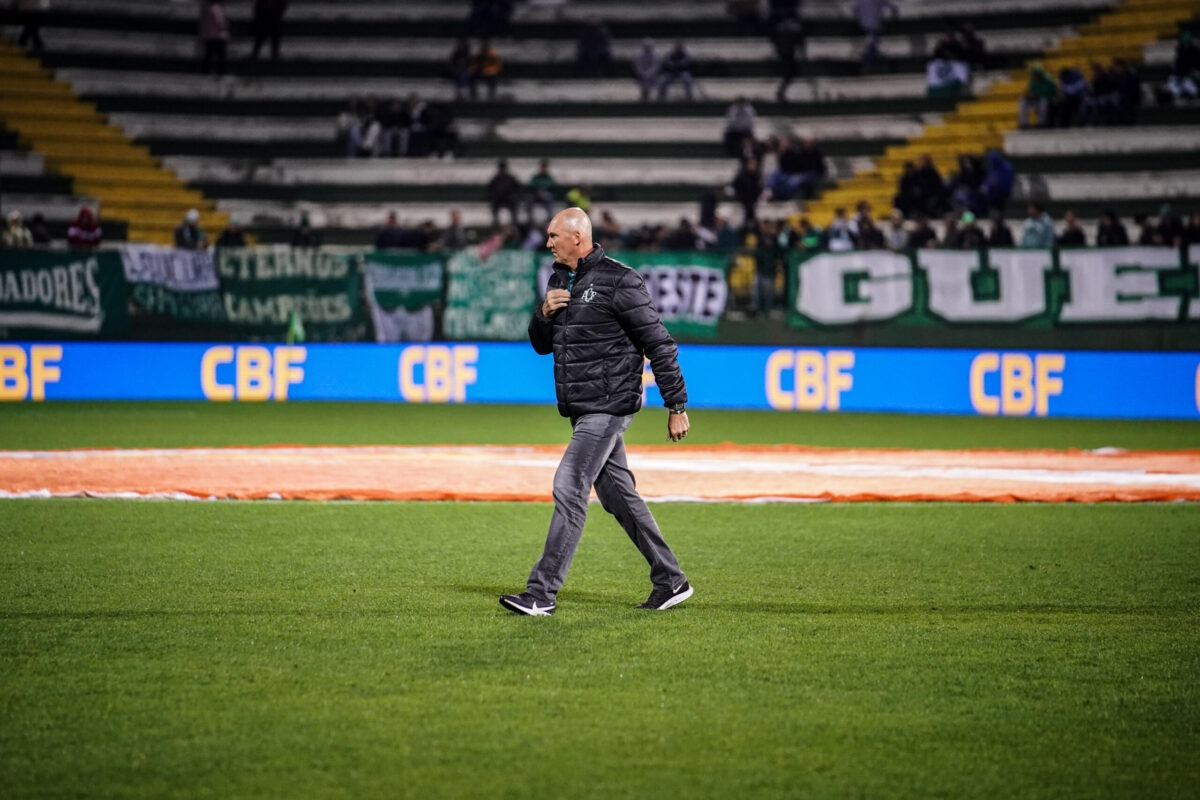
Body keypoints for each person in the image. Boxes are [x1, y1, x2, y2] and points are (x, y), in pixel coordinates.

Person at [499, 207, 692, 617]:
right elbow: (541, 344)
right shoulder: (558, 280)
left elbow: (660, 344)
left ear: (577, 237)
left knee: (569, 487)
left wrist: (675, 405)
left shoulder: (621, 280)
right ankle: (671, 579)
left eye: (553, 236)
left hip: (608, 405)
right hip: (583, 407)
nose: (547, 242)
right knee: (618, 496)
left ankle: (541, 593)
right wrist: (543, 314)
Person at [851, 0, 897, 73]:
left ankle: (868, 64)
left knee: (872, 44)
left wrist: (859, 17)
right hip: (874, 25)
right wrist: (893, 15)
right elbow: (893, 7)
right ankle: (866, 64)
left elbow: (854, 8)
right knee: (872, 44)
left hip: (864, 25)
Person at [485, 159, 521, 226]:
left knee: (514, 205)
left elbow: (518, 188)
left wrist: (515, 196)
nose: (503, 170)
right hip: (498, 199)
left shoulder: (510, 178)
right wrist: (492, 196)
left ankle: (514, 222)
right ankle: (495, 221)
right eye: (502, 168)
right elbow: (489, 188)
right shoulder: (495, 178)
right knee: (494, 204)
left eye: (503, 168)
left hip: (508, 199)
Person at [198, 0, 230, 77]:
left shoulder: (204, 7)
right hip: (218, 35)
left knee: (209, 54)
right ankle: (220, 71)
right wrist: (226, 26)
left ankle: (205, 70)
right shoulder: (215, 8)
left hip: (208, 35)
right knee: (220, 55)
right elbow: (220, 22)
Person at [524, 159, 559, 226]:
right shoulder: (536, 177)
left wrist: (544, 192)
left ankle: (550, 217)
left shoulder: (549, 177)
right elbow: (531, 186)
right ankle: (529, 218)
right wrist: (537, 192)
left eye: (545, 167)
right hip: (536, 194)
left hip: (545, 195)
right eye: (542, 167)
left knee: (549, 197)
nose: (543, 169)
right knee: (529, 198)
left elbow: (552, 187)